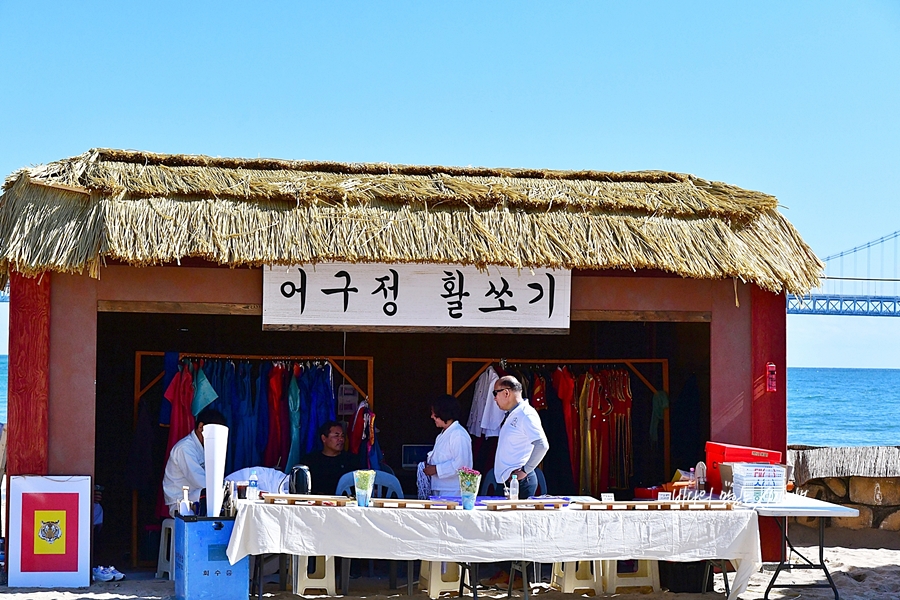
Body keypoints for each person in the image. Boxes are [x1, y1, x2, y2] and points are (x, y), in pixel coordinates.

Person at [162, 407, 227, 516]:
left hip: (196, 495)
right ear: (201, 427)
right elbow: (201, 482)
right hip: (181, 502)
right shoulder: (185, 448)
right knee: (215, 496)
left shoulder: (204, 446)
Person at [493, 375, 549, 499]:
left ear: (506, 393)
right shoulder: (514, 413)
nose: (494, 398)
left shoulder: (525, 414)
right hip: (509, 480)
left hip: (518, 482)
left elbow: (542, 445)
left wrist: (524, 471)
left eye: (495, 393)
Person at [422, 394, 473, 495]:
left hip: (454, 490)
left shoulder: (458, 434)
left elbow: (461, 464)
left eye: (434, 414)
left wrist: (436, 469)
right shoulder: (443, 434)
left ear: (443, 413)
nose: (432, 417)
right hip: (440, 487)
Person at [300, 421, 355, 495]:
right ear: (324, 438)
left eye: (342, 436)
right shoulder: (310, 461)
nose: (341, 439)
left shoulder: (351, 460)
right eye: (336, 436)